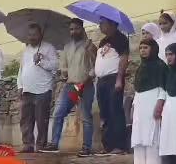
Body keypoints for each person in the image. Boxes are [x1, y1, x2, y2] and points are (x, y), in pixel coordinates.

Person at [51, 18, 98, 155]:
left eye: (76, 29)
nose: (73, 31)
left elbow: (95, 65)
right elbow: (63, 67)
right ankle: (54, 144)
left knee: (86, 117)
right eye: (71, 29)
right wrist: (65, 74)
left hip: (86, 85)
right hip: (72, 87)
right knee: (59, 113)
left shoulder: (89, 45)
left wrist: (90, 76)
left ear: (82, 29)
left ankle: (86, 147)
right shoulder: (67, 47)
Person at [17, 23, 58, 153]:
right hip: (27, 90)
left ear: (40, 34)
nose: (31, 37)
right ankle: (28, 144)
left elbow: (55, 66)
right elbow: (21, 69)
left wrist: (41, 61)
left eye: (34, 34)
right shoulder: (26, 50)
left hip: (43, 90)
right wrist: (20, 85)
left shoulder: (48, 48)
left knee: (41, 120)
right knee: (25, 120)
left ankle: (41, 145)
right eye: (29, 35)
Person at [131, 39, 166, 164]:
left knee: (152, 137)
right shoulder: (141, 67)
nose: (143, 50)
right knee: (139, 140)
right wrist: (133, 106)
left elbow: (163, 88)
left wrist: (159, 103)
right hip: (140, 105)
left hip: (153, 104)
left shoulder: (160, 66)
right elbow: (137, 89)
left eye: (146, 47)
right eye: (141, 48)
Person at [96, 17, 130, 155]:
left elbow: (123, 59)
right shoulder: (103, 41)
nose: (100, 26)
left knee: (115, 110)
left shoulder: (121, 39)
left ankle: (119, 145)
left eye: (102, 24)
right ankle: (108, 145)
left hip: (113, 79)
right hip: (101, 81)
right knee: (105, 113)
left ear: (111, 24)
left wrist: (119, 79)